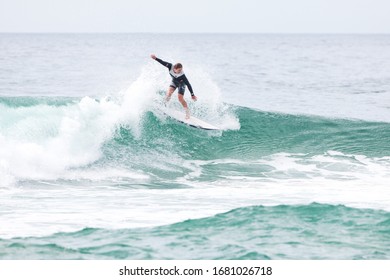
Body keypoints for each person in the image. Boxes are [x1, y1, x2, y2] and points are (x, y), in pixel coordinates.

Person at [151, 54, 197, 119]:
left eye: (181, 70)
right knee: (169, 93)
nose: (180, 71)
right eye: (178, 70)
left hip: (181, 84)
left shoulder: (182, 75)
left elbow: (188, 84)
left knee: (180, 98)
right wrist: (155, 58)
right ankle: (164, 106)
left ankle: (187, 112)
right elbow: (163, 62)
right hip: (174, 82)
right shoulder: (170, 66)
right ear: (174, 69)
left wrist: (192, 95)